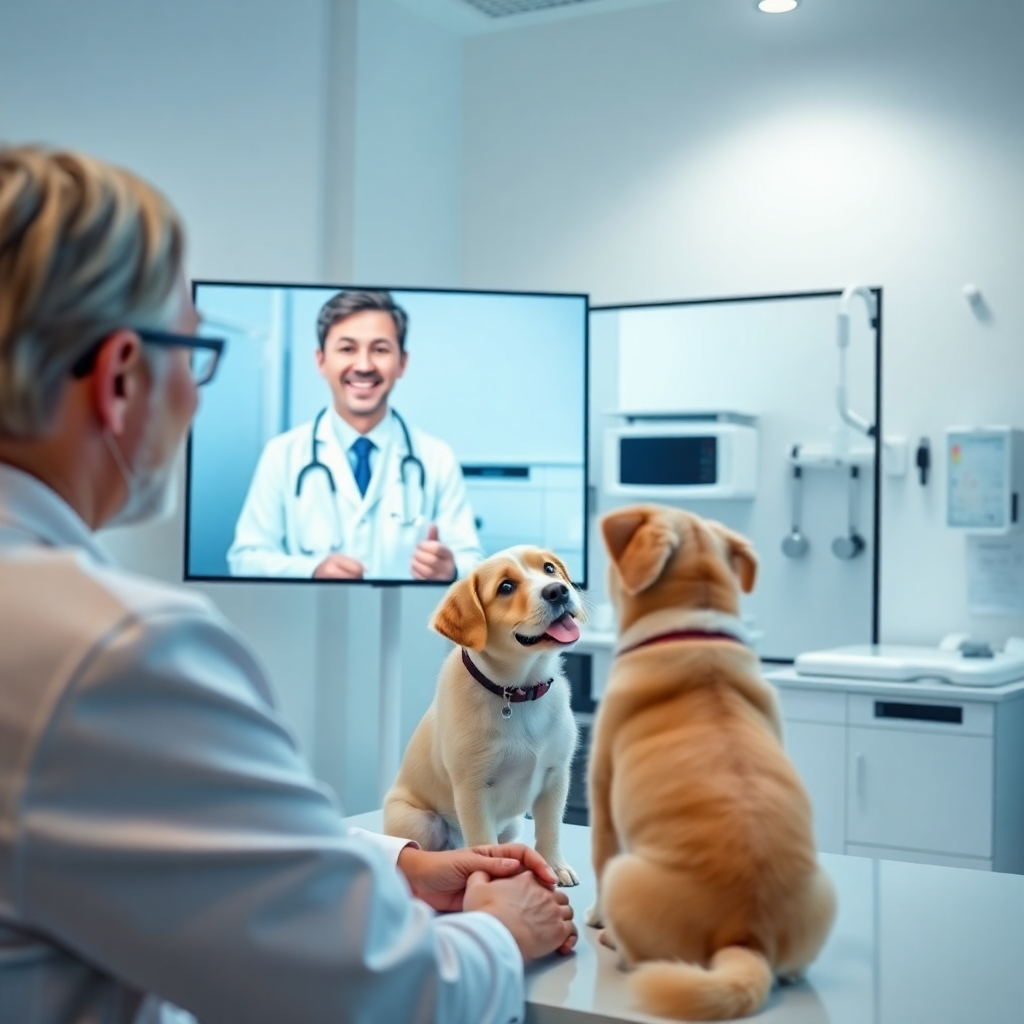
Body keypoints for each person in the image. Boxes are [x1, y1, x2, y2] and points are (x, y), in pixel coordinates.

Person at [0, 145, 575, 1024]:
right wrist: (503, 932)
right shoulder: (110, 652)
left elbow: (160, 861)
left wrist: (394, 866)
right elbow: (361, 991)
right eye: (190, 354)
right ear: (120, 377)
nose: (192, 394)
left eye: (382, 348)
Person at [226, 289, 483, 581]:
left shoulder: (436, 458)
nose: (363, 366)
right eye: (347, 349)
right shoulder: (282, 454)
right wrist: (311, 570)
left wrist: (452, 569)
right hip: (310, 621)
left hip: (405, 620)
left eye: (380, 349)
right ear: (321, 361)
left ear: (402, 363)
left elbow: (474, 562)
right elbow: (244, 559)